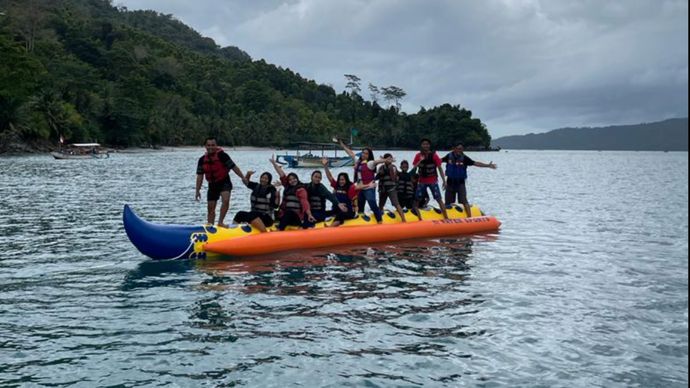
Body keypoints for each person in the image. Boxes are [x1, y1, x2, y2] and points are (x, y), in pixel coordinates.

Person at [195, 137, 245, 227]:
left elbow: (234, 167)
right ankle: (210, 225)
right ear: (205, 146)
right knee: (210, 208)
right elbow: (200, 176)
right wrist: (197, 190)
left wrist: (243, 177)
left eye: (213, 145)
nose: (211, 147)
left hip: (224, 182)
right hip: (212, 185)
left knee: (225, 200)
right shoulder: (202, 160)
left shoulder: (223, 156)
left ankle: (220, 222)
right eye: (208, 145)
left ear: (216, 146)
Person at [336, 139, 386, 224]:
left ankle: (380, 221)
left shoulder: (370, 163)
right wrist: (342, 144)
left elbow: (376, 162)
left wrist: (384, 160)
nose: (364, 154)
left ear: (369, 155)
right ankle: (360, 223)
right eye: (363, 153)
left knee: (372, 204)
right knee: (360, 205)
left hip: (369, 188)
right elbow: (350, 153)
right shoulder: (358, 161)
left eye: (366, 153)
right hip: (360, 188)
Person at [442, 143, 497, 217]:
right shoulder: (448, 156)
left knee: (464, 201)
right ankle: (446, 218)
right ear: (454, 149)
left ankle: (469, 217)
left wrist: (487, 165)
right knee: (447, 203)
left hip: (460, 183)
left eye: (461, 149)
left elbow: (475, 163)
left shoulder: (464, 158)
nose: (459, 150)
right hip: (450, 183)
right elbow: (438, 161)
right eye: (458, 148)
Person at [270, 155, 316, 230]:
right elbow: (282, 174)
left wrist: (309, 214)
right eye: (290, 179)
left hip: (296, 218)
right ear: (288, 181)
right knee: (275, 211)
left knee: (289, 213)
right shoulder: (287, 186)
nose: (293, 180)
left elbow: (305, 203)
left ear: (297, 179)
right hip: (285, 216)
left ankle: (279, 230)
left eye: (294, 178)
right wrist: (274, 164)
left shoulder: (301, 190)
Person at [412, 138, 449, 220]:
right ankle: (418, 218)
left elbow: (440, 168)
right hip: (421, 181)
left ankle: (446, 218)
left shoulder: (434, 156)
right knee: (416, 200)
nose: (425, 146)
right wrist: (420, 161)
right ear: (421, 145)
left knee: (439, 199)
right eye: (424, 144)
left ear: (429, 146)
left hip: (433, 181)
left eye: (427, 144)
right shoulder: (418, 156)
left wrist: (444, 181)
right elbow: (414, 167)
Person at [377, 154, 407, 222]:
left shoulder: (393, 167)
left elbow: (393, 175)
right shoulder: (381, 167)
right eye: (387, 159)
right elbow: (379, 175)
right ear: (384, 160)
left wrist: (388, 166)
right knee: (381, 204)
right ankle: (380, 219)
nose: (389, 160)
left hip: (391, 189)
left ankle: (403, 219)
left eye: (390, 159)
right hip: (383, 189)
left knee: (396, 204)